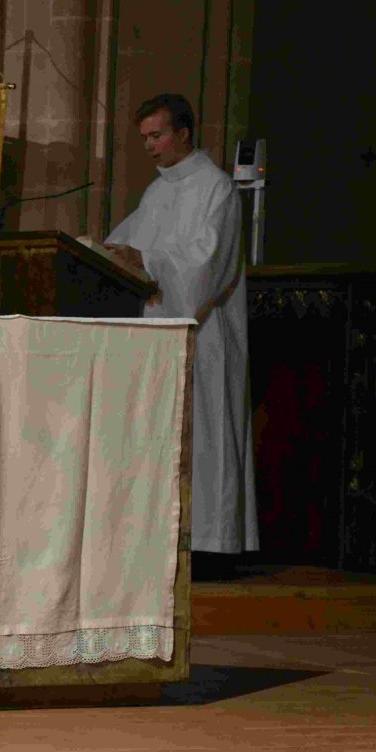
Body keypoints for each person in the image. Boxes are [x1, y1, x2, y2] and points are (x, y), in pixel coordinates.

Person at [103, 93, 257, 557]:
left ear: (184, 133)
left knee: (203, 438)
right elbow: (122, 245)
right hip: (155, 335)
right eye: (144, 138)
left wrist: (146, 260)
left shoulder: (217, 189)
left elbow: (207, 265)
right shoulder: (157, 192)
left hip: (203, 336)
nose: (149, 146)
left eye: (157, 135)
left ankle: (209, 544)